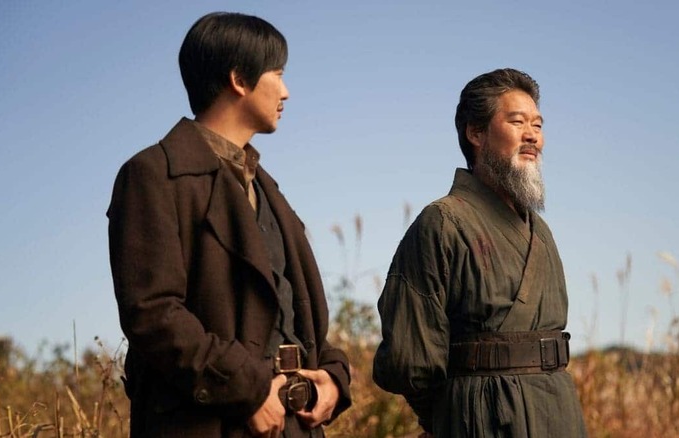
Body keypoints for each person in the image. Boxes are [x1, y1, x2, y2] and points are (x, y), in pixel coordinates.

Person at [107, 12, 351, 438]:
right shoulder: (152, 175)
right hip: (208, 424)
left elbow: (295, 311)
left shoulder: (268, 189)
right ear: (240, 79)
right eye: (278, 73)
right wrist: (249, 390)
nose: (287, 91)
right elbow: (154, 314)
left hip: (294, 425)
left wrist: (332, 376)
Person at [373, 68, 587, 437]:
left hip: (558, 412)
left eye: (537, 124)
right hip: (481, 417)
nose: (532, 135)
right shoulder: (442, 222)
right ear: (476, 133)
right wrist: (453, 416)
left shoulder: (541, 232)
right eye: (517, 121)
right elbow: (411, 358)